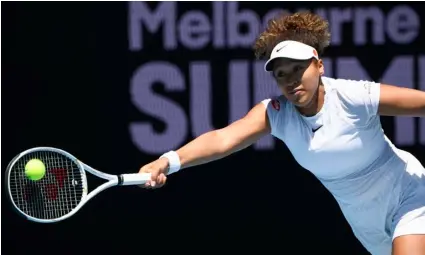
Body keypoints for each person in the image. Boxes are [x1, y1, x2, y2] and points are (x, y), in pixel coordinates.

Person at [138, 12, 425, 255]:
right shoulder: (276, 113)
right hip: (364, 221)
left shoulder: (354, 96)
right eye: (281, 74)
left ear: (319, 66)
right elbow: (222, 139)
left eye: (298, 68)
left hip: (409, 195)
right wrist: (167, 161)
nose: (291, 79)